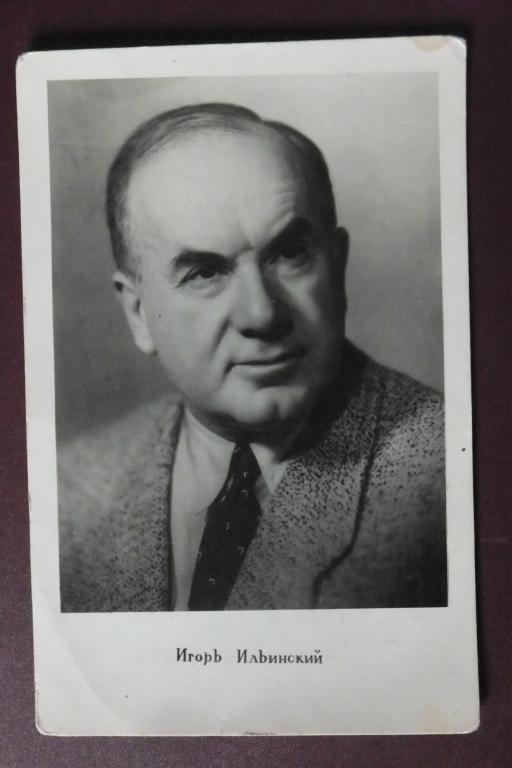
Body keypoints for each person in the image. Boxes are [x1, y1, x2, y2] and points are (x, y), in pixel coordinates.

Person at [58, 103, 446, 612]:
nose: (261, 314)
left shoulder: (450, 475)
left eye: (290, 254)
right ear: (138, 312)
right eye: (204, 273)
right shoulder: (70, 495)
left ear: (338, 267)